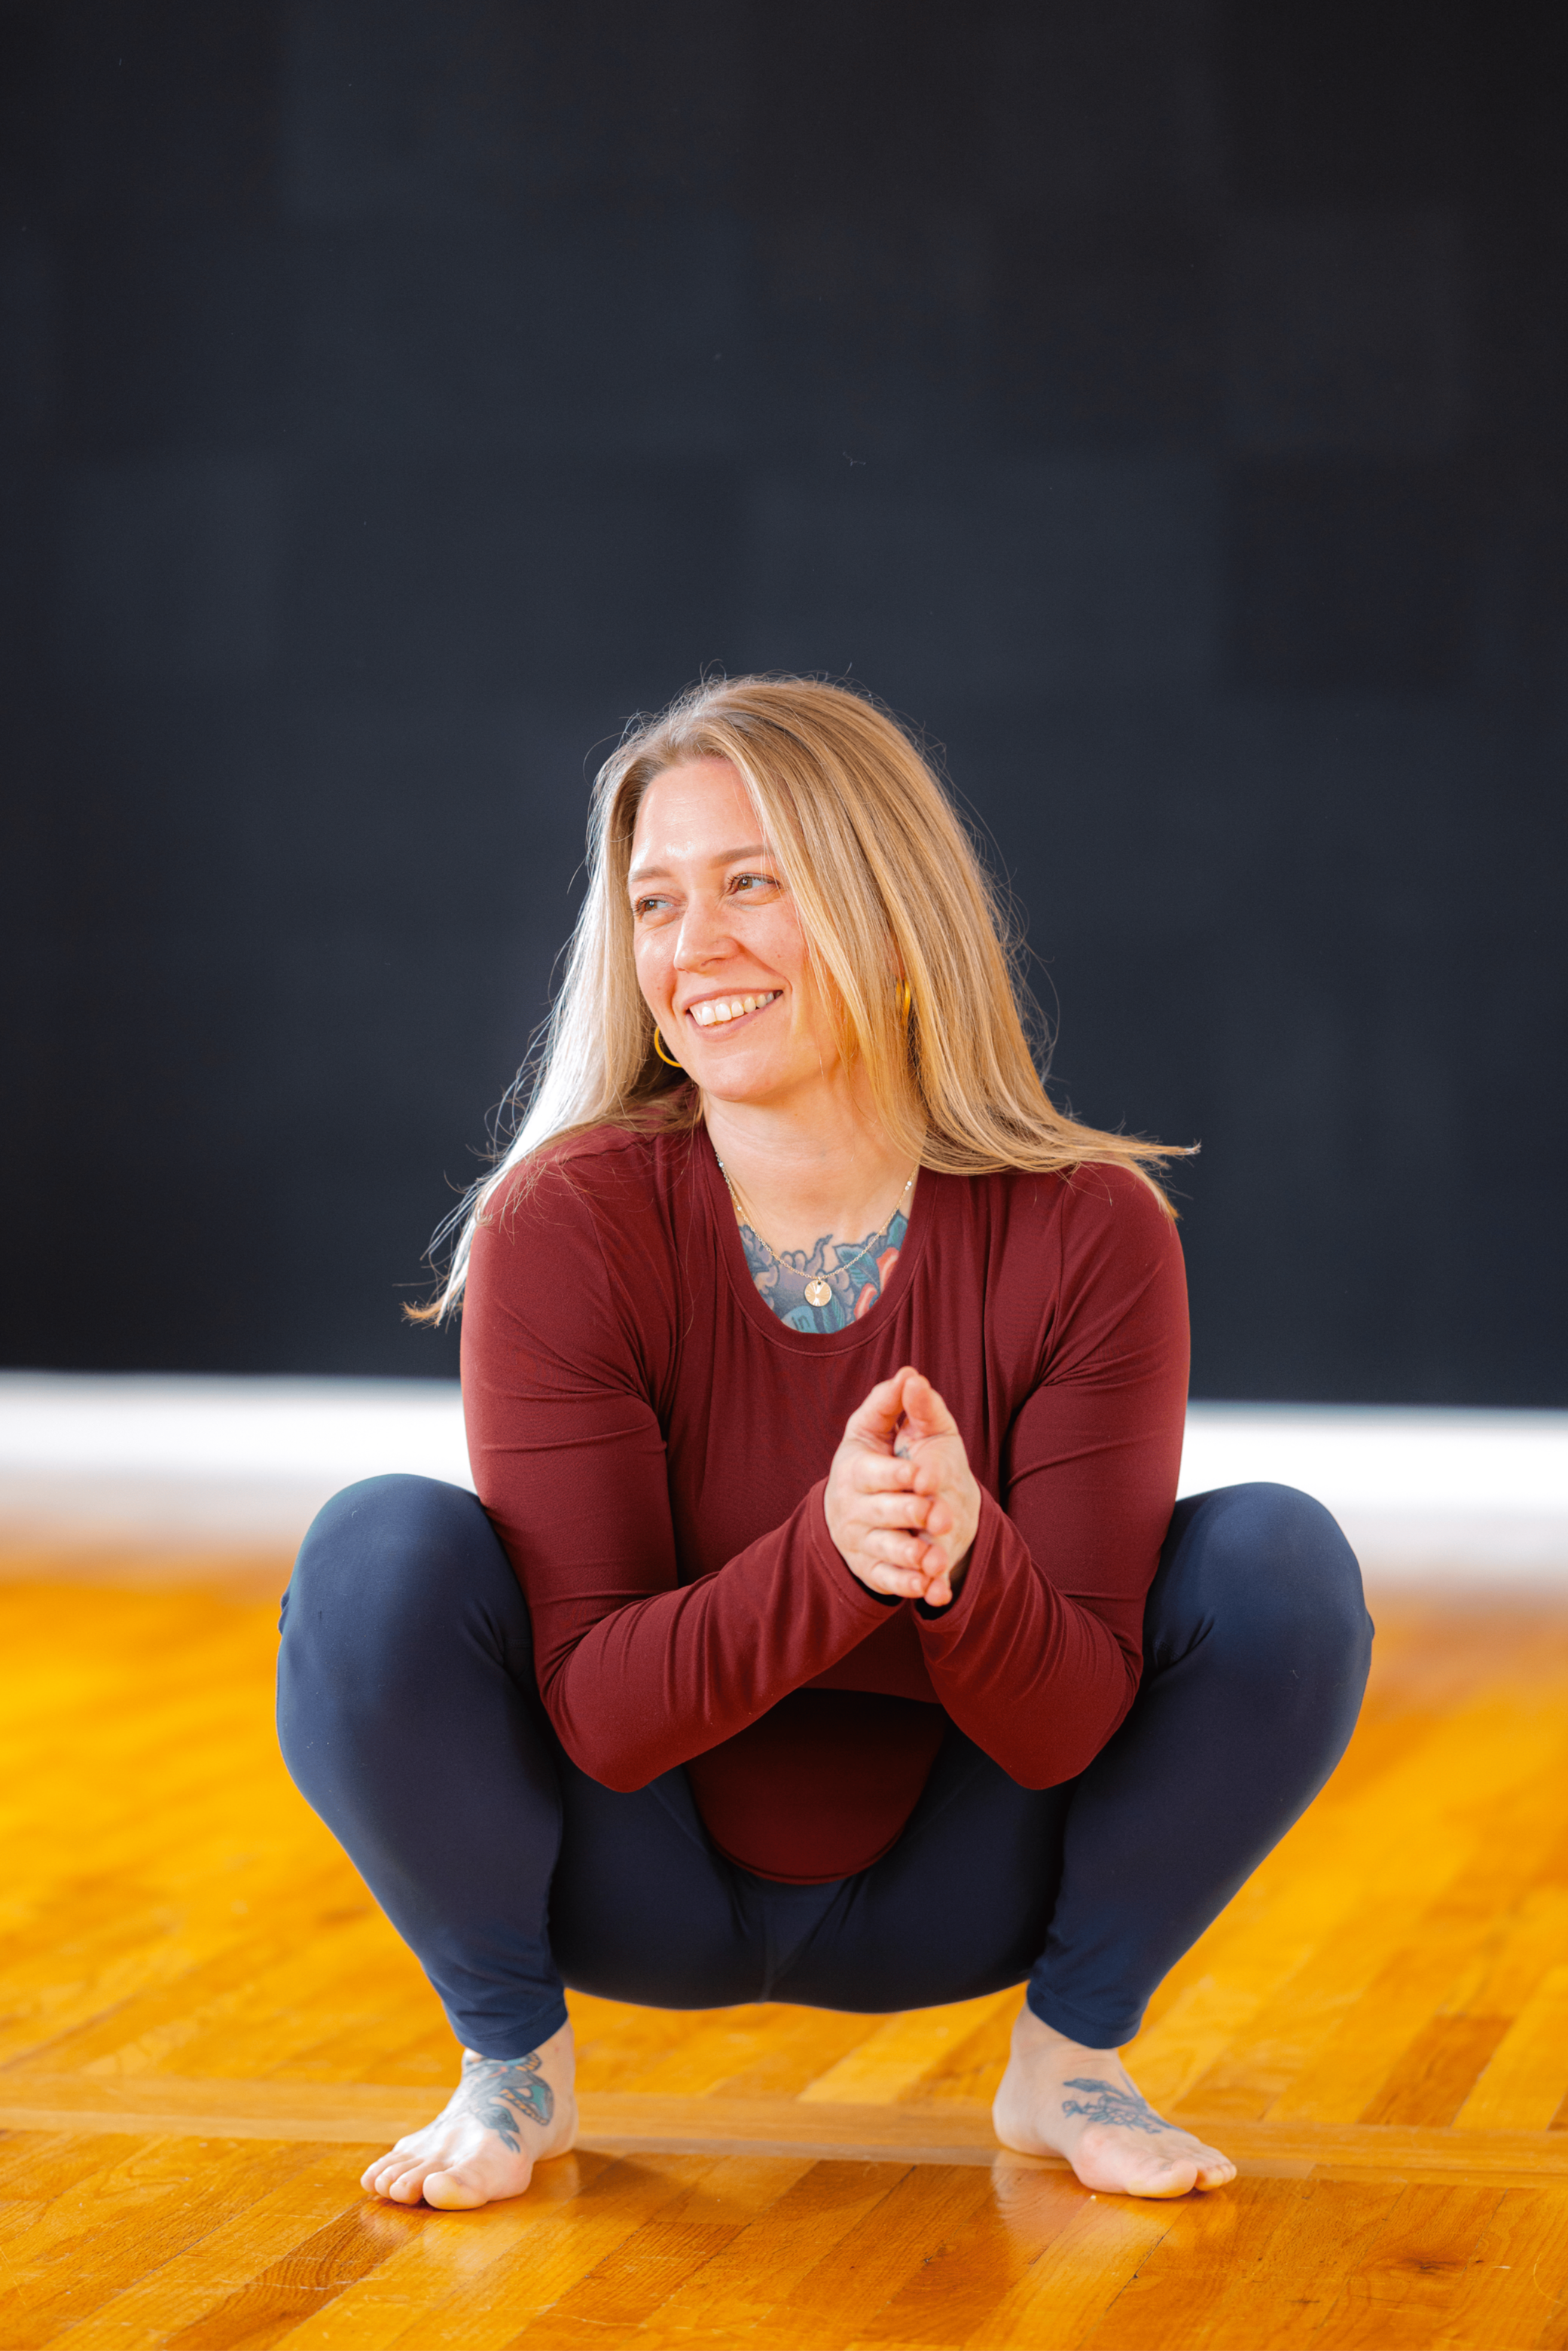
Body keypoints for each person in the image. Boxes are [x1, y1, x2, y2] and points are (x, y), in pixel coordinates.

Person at [277, 675, 1371, 2211]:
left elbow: (1064, 1732)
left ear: (887, 904)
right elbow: (596, 1713)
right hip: (628, 1874)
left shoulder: (1089, 1228)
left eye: (752, 883)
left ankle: (1072, 2064)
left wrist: (966, 1561)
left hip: (961, 1887)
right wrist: (833, 1559)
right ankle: (512, 2067)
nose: (692, 947)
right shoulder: (570, 1220)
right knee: (374, 1551)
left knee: (1279, 1559)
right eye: (655, 901)